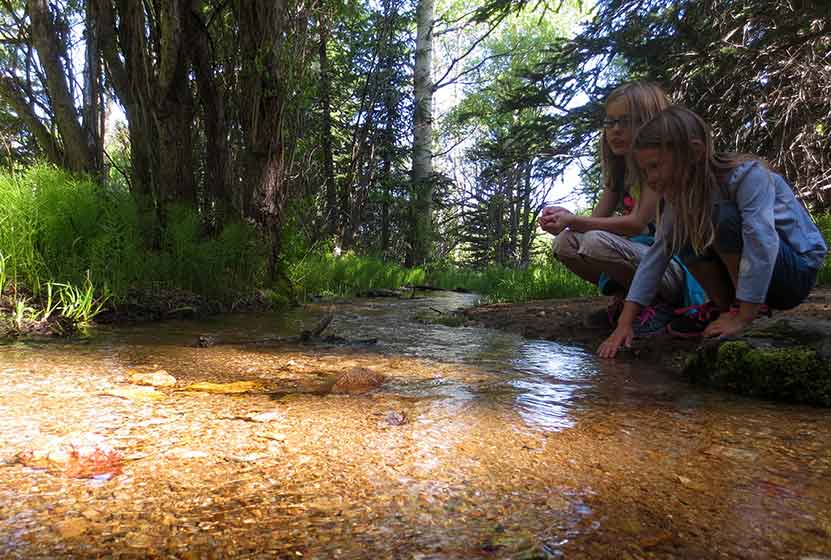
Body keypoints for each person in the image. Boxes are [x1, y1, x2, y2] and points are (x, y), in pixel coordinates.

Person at [598, 105, 828, 358]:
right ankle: (724, 307)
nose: (651, 179)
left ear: (695, 152)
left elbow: (762, 240)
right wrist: (625, 324)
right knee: (682, 233)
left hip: (794, 272)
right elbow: (657, 255)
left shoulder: (746, 176)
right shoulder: (679, 199)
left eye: (655, 166)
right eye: (645, 171)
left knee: (724, 217)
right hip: (756, 276)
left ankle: (748, 308)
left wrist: (744, 316)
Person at [539, 82, 698, 336]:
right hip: (646, 260)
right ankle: (624, 299)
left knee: (594, 242)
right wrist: (564, 220)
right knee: (565, 243)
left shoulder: (660, 167)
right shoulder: (621, 169)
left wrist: (574, 220)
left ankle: (657, 305)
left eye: (625, 121)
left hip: (673, 266)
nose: (615, 130)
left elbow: (636, 223)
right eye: (610, 122)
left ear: (649, 123)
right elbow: (593, 220)